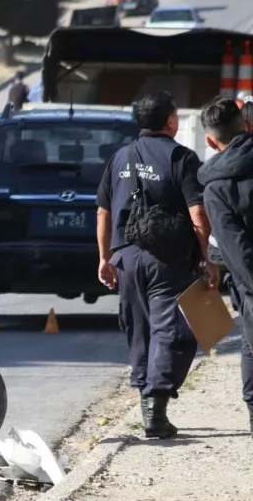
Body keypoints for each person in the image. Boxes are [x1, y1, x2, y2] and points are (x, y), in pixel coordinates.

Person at [96, 91, 216, 439]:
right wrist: (207, 259)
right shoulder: (181, 157)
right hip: (169, 259)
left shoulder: (120, 157)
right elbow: (198, 215)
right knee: (171, 331)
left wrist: (104, 258)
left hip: (126, 257)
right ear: (170, 121)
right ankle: (155, 407)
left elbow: (103, 212)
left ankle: (147, 398)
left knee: (138, 327)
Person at [197, 97, 253, 437]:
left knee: (249, 346)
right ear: (245, 125)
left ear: (209, 140)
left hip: (249, 283)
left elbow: (234, 246)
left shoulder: (216, 187)